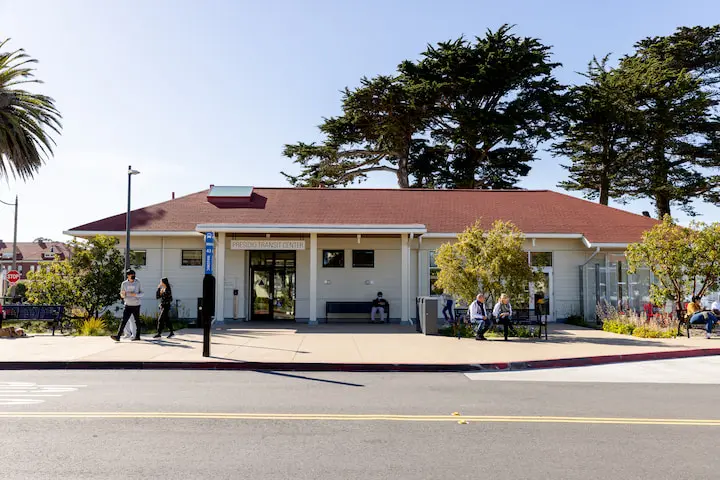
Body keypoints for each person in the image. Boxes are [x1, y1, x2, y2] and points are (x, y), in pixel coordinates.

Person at [111, 269, 144, 342]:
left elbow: (142, 293)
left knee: (137, 321)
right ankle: (118, 336)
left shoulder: (137, 282)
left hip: (136, 305)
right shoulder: (124, 283)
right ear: (128, 276)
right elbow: (122, 295)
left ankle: (137, 336)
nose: (133, 276)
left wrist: (135, 294)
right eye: (132, 275)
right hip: (128, 305)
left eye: (134, 275)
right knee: (124, 321)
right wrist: (122, 295)